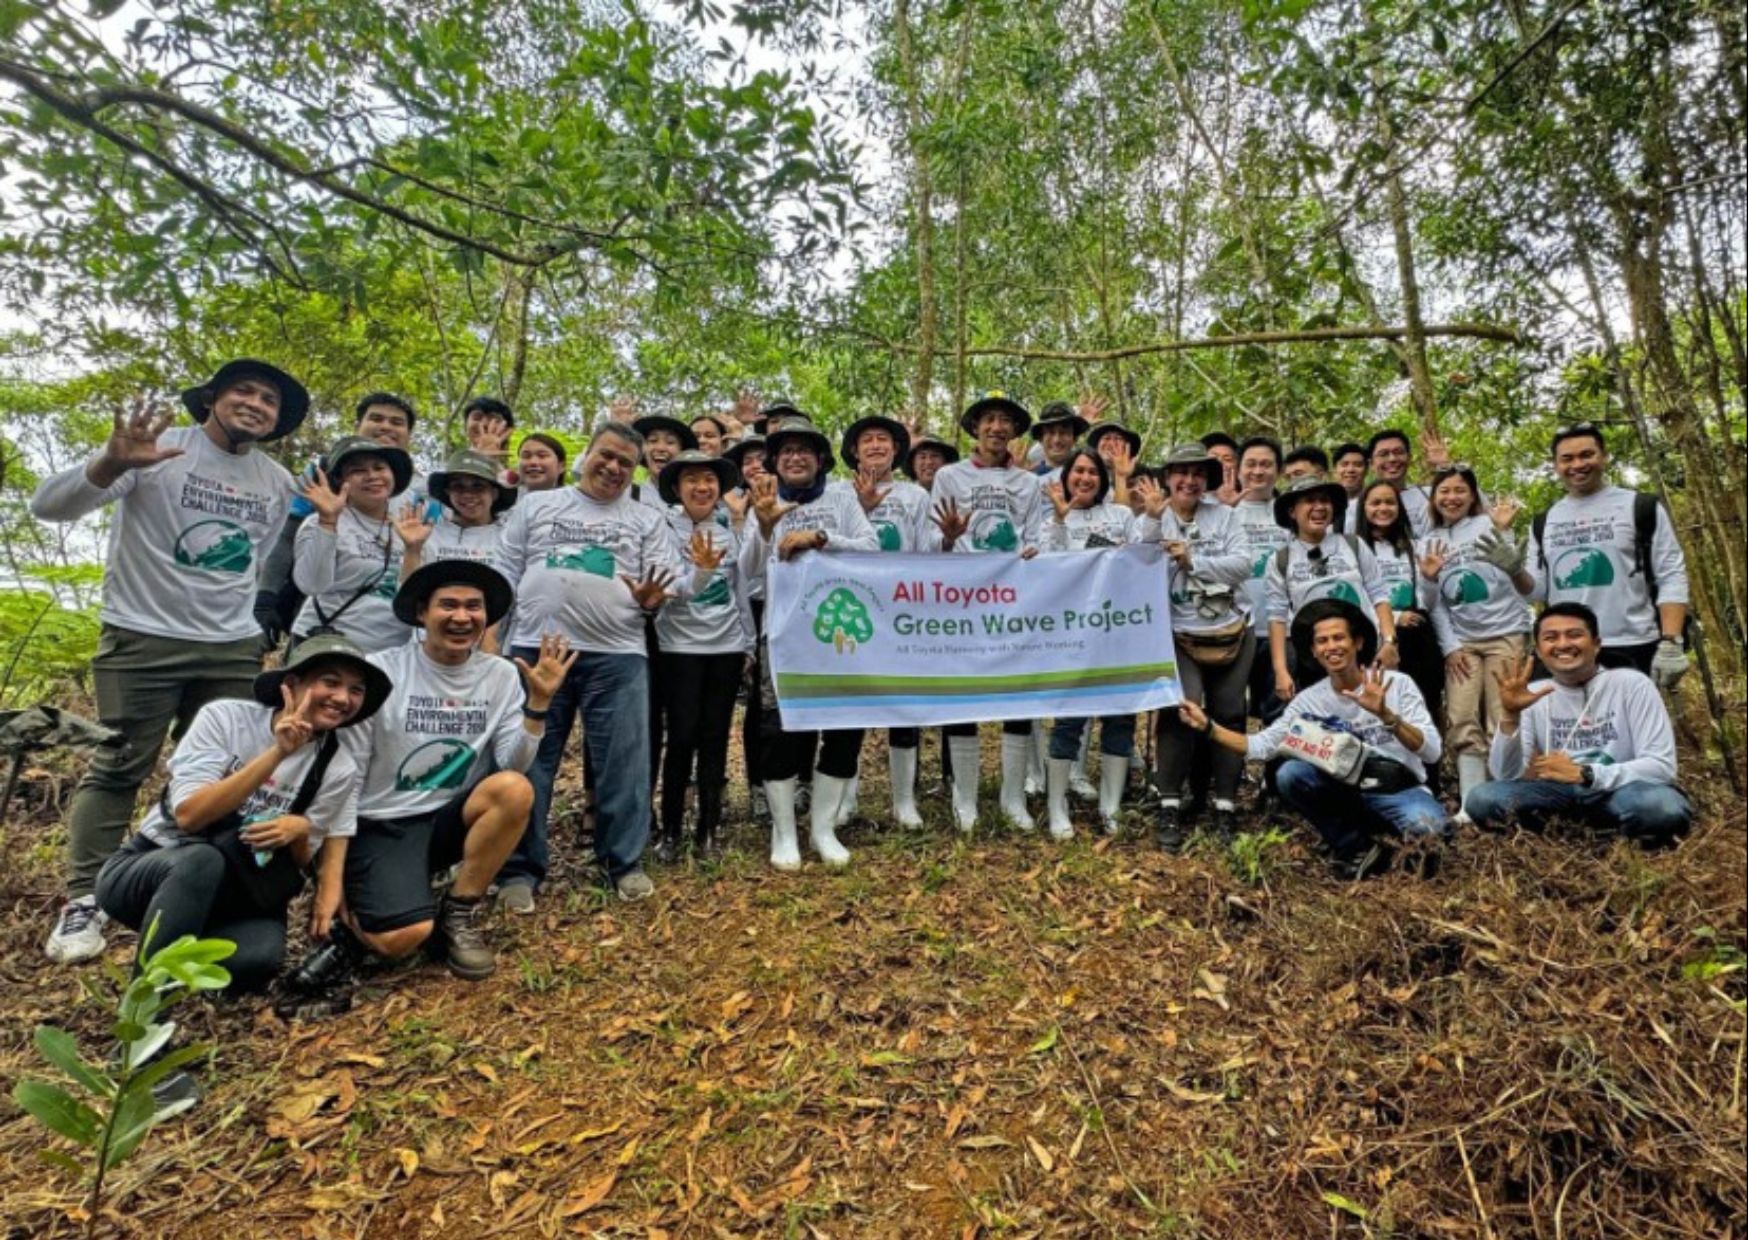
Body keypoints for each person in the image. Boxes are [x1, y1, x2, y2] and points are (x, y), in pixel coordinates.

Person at [32, 361, 307, 964]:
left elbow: (256, 560)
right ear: (212, 397)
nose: (256, 405)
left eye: (269, 401)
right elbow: (49, 507)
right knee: (120, 764)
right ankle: (86, 897)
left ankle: (203, 880)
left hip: (230, 645)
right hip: (143, 636)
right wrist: (108, 463)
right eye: (245, 392)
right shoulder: (157, 451)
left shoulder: (275, 480)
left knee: (230, 769)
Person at [286, 563, 567, 991]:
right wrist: (331, 872)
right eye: (448, 605)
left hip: (444, 818)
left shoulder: (501, 675)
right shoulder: (381, 673)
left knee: (513, 790)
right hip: (379, 822)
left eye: (474, 607)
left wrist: (539, 706)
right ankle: (373, 920)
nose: (461, 617)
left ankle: (458, 910)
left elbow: (512, 763)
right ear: (422, 614)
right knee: (402, 940)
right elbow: (347, 775)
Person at [94, 634, 386, 997]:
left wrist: (300, 829)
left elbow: (299, 860)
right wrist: (277, 753)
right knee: (200, 861)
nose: (343, 698)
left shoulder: (338, 766)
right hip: (156, 864)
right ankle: (146, 1005)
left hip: (241, 891)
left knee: (259, 959)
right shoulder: (226, 719)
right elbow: (190, 815)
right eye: (330, 682)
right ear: (291, 685)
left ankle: (181, 941)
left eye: (356, 690)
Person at [493, 422, 695, 905]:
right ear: (586, 455)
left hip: (618, 652)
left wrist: (654, 598)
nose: (613, 467)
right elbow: (504, 569)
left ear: (636, 471)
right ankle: (519, 870)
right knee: (530, 759)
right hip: (535, 650)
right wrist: (493, 639)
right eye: (606, 456)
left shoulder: (646, 518)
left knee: (623, 762)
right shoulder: (538, 504)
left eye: (626, 463)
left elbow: (672, 579)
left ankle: (622, 861)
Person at [1180, 599, 1447, 879]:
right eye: (1322, 641)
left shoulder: (1396, 684)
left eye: (1338, 638)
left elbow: (1432, 752)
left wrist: (1387, 715)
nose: (1331, 647)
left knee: (1431, 830)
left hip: (1398, 789)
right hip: (1346, 792)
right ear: (1314, 652)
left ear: (1357, 642)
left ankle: (1394, 844)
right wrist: (1208, 726)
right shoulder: (1309, 701)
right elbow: (1262, 746)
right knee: (1291, 775)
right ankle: (1355, 847)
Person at [740, 415, 880, 868]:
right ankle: (784, 833)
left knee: (843, 730)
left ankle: (823, 829)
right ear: (775, 462)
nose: (795, 457)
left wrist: (820, 537)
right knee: (779, 731)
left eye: (804, 450)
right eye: (785, 452)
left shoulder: (841, 496)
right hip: (783, 636)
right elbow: (748, 575)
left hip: (845, 636)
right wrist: (763, 529)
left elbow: (872, 547)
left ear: (820, 458)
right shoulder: (762, 499)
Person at [1465, 604, 1692, 847]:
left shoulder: (1632, 685)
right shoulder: (1533, 694)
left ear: (1596, 644)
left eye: (1574, 635)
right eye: (1551, 638)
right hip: (1557, 795)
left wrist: (1586, 774)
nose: (1562, 644)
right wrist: (1510, 715)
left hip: (1620, 790)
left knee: (1661, 807)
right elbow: (1506, 775)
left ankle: (1599, 837)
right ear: (1539, 651)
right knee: (1481, 799)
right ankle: (1591, 833)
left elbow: (1661, 766)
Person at [930, 393, 1045, 831]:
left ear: (1014, 432)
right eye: (989, 420)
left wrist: (1035, 553)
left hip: (1014, 600)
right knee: (964, 696)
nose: (997, 428)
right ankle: (965, 800)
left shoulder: (1029, 484)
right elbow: (930, 541)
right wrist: (947, 538)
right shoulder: (948, 476)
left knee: (1018, 695)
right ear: (975, 427)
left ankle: (1014, 799)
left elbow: (1037, 537)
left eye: (1005, 422)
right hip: (961, 601)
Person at [1134, 445, 1256, 847]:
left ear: (1207, 480)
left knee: (1231, 713)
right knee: (1182, 709)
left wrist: (1193, 561)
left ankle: (1224, 806)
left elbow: (1243, 564)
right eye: (1180, 473)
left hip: (1232, 629)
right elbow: (1132, 563)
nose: (1189, 480)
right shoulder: (1155, 516)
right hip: (1178, 635)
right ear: (1168, 477)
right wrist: (1153, 520)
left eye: (1197, 473)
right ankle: (1169, 803)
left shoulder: (1226, 517)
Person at [256, 392, 424, 644]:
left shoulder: (421, 494)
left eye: (396, 422)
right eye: (376, 418)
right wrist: (266, 597)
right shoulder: (319, 476)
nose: (386, 426)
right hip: (329, 629)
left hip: (391, 641)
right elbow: (287, 538)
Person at [1527, 422, 1689, 682]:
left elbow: (1670, 573)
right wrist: (1512, 570)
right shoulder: (1544, 521)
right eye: (1567, 458)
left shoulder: (1640, 507)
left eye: (1587, 455)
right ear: (1556, 465)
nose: (1578, 465)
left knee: (1634, 722)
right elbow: (1536, 591)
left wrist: (1671, 641)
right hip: (1566, 646)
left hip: (1632, 642)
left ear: (1604, 457)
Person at [652, 450, 751, 860]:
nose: (702, 486)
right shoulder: (662, 530)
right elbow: (672, 588)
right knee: (681, 737)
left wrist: (748, 642)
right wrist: (701, 571)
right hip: (678, 647)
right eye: (691, 479)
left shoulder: (730, 531)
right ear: (677, 488)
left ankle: (708, 829)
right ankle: (671, 829)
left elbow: (742, 589)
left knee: (714, 737)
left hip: (725, 647)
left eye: (709, 479)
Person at [835, 415, 933, 826]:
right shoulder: (838, 493)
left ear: (896, 450)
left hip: (901, 612)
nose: (875, 446)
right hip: (854, 612)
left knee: (904, 705)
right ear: (855, 451)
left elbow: (926, 552)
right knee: (850, 706)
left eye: (884, 440)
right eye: (867, 441)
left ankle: (903, 800)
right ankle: (845, 797)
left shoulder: (913, 496)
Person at [1037, 449, 1140, 839]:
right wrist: (1061, 519)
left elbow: (1141, 558)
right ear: (1066, 477)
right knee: (1068, 721)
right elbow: (1048, 565)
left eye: (1093, 472)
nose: (1085, 478)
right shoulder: (1052, 518)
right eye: (1078, 471)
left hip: (1119, 631)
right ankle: (1057, 806)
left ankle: (1110, 807)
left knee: (1120, 718)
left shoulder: (1121, 515)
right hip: (1072, 636)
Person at [1419, 466, 1535, 813]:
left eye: (1460, 491)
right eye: (1444, 491)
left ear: (1473, 496)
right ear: (1433, 497)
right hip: (1462, 641)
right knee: (1461, 714)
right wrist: (1450, 646)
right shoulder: (1428, 540)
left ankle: (1506, 798)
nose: (1451, 498)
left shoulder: (1491, 525)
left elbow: (1517, 577)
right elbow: (1432, 604)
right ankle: (1472, 801)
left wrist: (1503, 531)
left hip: (1506, 632)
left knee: (1502, 713)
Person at [1265, 475, 1399, 707]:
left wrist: (1389, 641)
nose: (1319, 507)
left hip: (1363, 650)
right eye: (1309, 501)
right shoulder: (1281, 560)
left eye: (1324, 501)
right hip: (1316, 657)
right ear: (1292, 511)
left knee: (1375, 712)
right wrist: (1280, 670)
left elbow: (1379, 594)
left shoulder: (1353, 544)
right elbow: (1277, 618)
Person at [291, 435, 417, 652]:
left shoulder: (409, 528)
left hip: (392, 651)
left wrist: (414, 549)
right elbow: (310, 584)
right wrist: (327, 522)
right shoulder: (320, 523)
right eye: (358, 470)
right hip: (329, 645)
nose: (372, 476)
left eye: (379, 467)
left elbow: (412, 598)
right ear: (340, 480)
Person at [1356, 481, 1444, 756]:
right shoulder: (1353, 548)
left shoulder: (1415, 547)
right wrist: (1393, 617)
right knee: (1378, 702)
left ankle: (1429, 774)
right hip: (1373, 635)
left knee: (1425, 704)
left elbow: (1429, 602)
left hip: (1417, 637)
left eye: (1390, 502)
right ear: (1363, 508)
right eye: (1376, 503)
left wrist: (1430, 579)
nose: (1383, 508)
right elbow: (1354, 597)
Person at [725, 433, 772, 819]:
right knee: (757, 703)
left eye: (761, 457)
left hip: (789, 603)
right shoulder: (728, 504)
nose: (754, 465)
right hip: (750, 609)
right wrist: (741, 519)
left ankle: (798, 782)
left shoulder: (788, 497)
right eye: (747, 460)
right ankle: (757, 786)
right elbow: (738, 567)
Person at [1233, 436, 1290, 726]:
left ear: (1278, 471)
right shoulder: (1224, 512)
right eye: (1251, 464)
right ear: (1239, 470)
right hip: (1235, 628)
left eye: (1266, 465)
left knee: (1279, 708)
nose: (1258, 471)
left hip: (1281, 628)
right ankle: (1227, 771)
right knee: (1228, 709)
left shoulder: (1291, 512)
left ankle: (1274, 771)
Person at [398, 449, 518, 569]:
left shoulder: (509, 539)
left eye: (478, 486)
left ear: (494, 493)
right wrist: (412, 550)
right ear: (448, 492)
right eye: (458, 486)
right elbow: (406, 586)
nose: (468, 494)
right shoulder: (427, 536)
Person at [1366, 427, 1458, 536]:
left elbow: (1477, 505)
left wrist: (1445, 465)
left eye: (1398, 452)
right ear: (1371, 464)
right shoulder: (1359, 504)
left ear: (1409, 458)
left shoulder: (1430, 494)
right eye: (1383, 454)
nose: (1392, 459)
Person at [632, 415, 698, 512]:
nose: (661, 448)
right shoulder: (629, 495)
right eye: (653, 441)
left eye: (670, 442)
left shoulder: (697, 496)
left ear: (682, 451)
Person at [1085, 419, 1141, 510]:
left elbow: (1122, 518)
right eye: (1106, 438)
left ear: (1127, 448)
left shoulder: (1140, 479)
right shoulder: (1082, 475)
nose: (1111, 444)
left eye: (1118, 439)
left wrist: (1121, 477)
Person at [1031, 402, 1089, 479]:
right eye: (1051, 433)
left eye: (1064, 432)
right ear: (1041, 439)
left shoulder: (1088, 477)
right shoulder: (1029, 480)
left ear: (1075, 438)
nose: (1057, 440)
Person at [462, 396, 515, 465]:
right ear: (466, 425)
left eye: (493, 419)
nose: (484, 424)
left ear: (506, 430)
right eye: (477, 418)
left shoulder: (509, 475)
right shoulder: (448, 468)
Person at [1332, 442, 1368, 532]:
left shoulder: (1374, 503)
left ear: (1366, 470)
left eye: (1358, 465)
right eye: (1344, 464)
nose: (1350, 470)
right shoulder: (1325, 504)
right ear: (1335, 470)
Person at [1199, 432, 1242, 506]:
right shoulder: (1191, 498)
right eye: (1213, 458)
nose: (1220, 463)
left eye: (1227, 459)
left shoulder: (1246, 501)